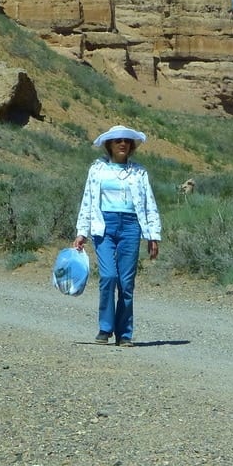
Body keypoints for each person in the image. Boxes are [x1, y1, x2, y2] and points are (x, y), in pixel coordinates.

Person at [73, 125, 162, 347]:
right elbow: (88, 200)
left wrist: (153, 235)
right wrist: (82, 232)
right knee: (108, 277)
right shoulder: (97, 170)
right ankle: (105, 328)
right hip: (104, 226)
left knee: (126, 283)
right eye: (117, 140)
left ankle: (124, 334)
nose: (122, 144)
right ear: (109, 145)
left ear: (131, 146)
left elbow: (149, 203)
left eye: (126, 141)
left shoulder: (139, 172)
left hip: (131, 226)